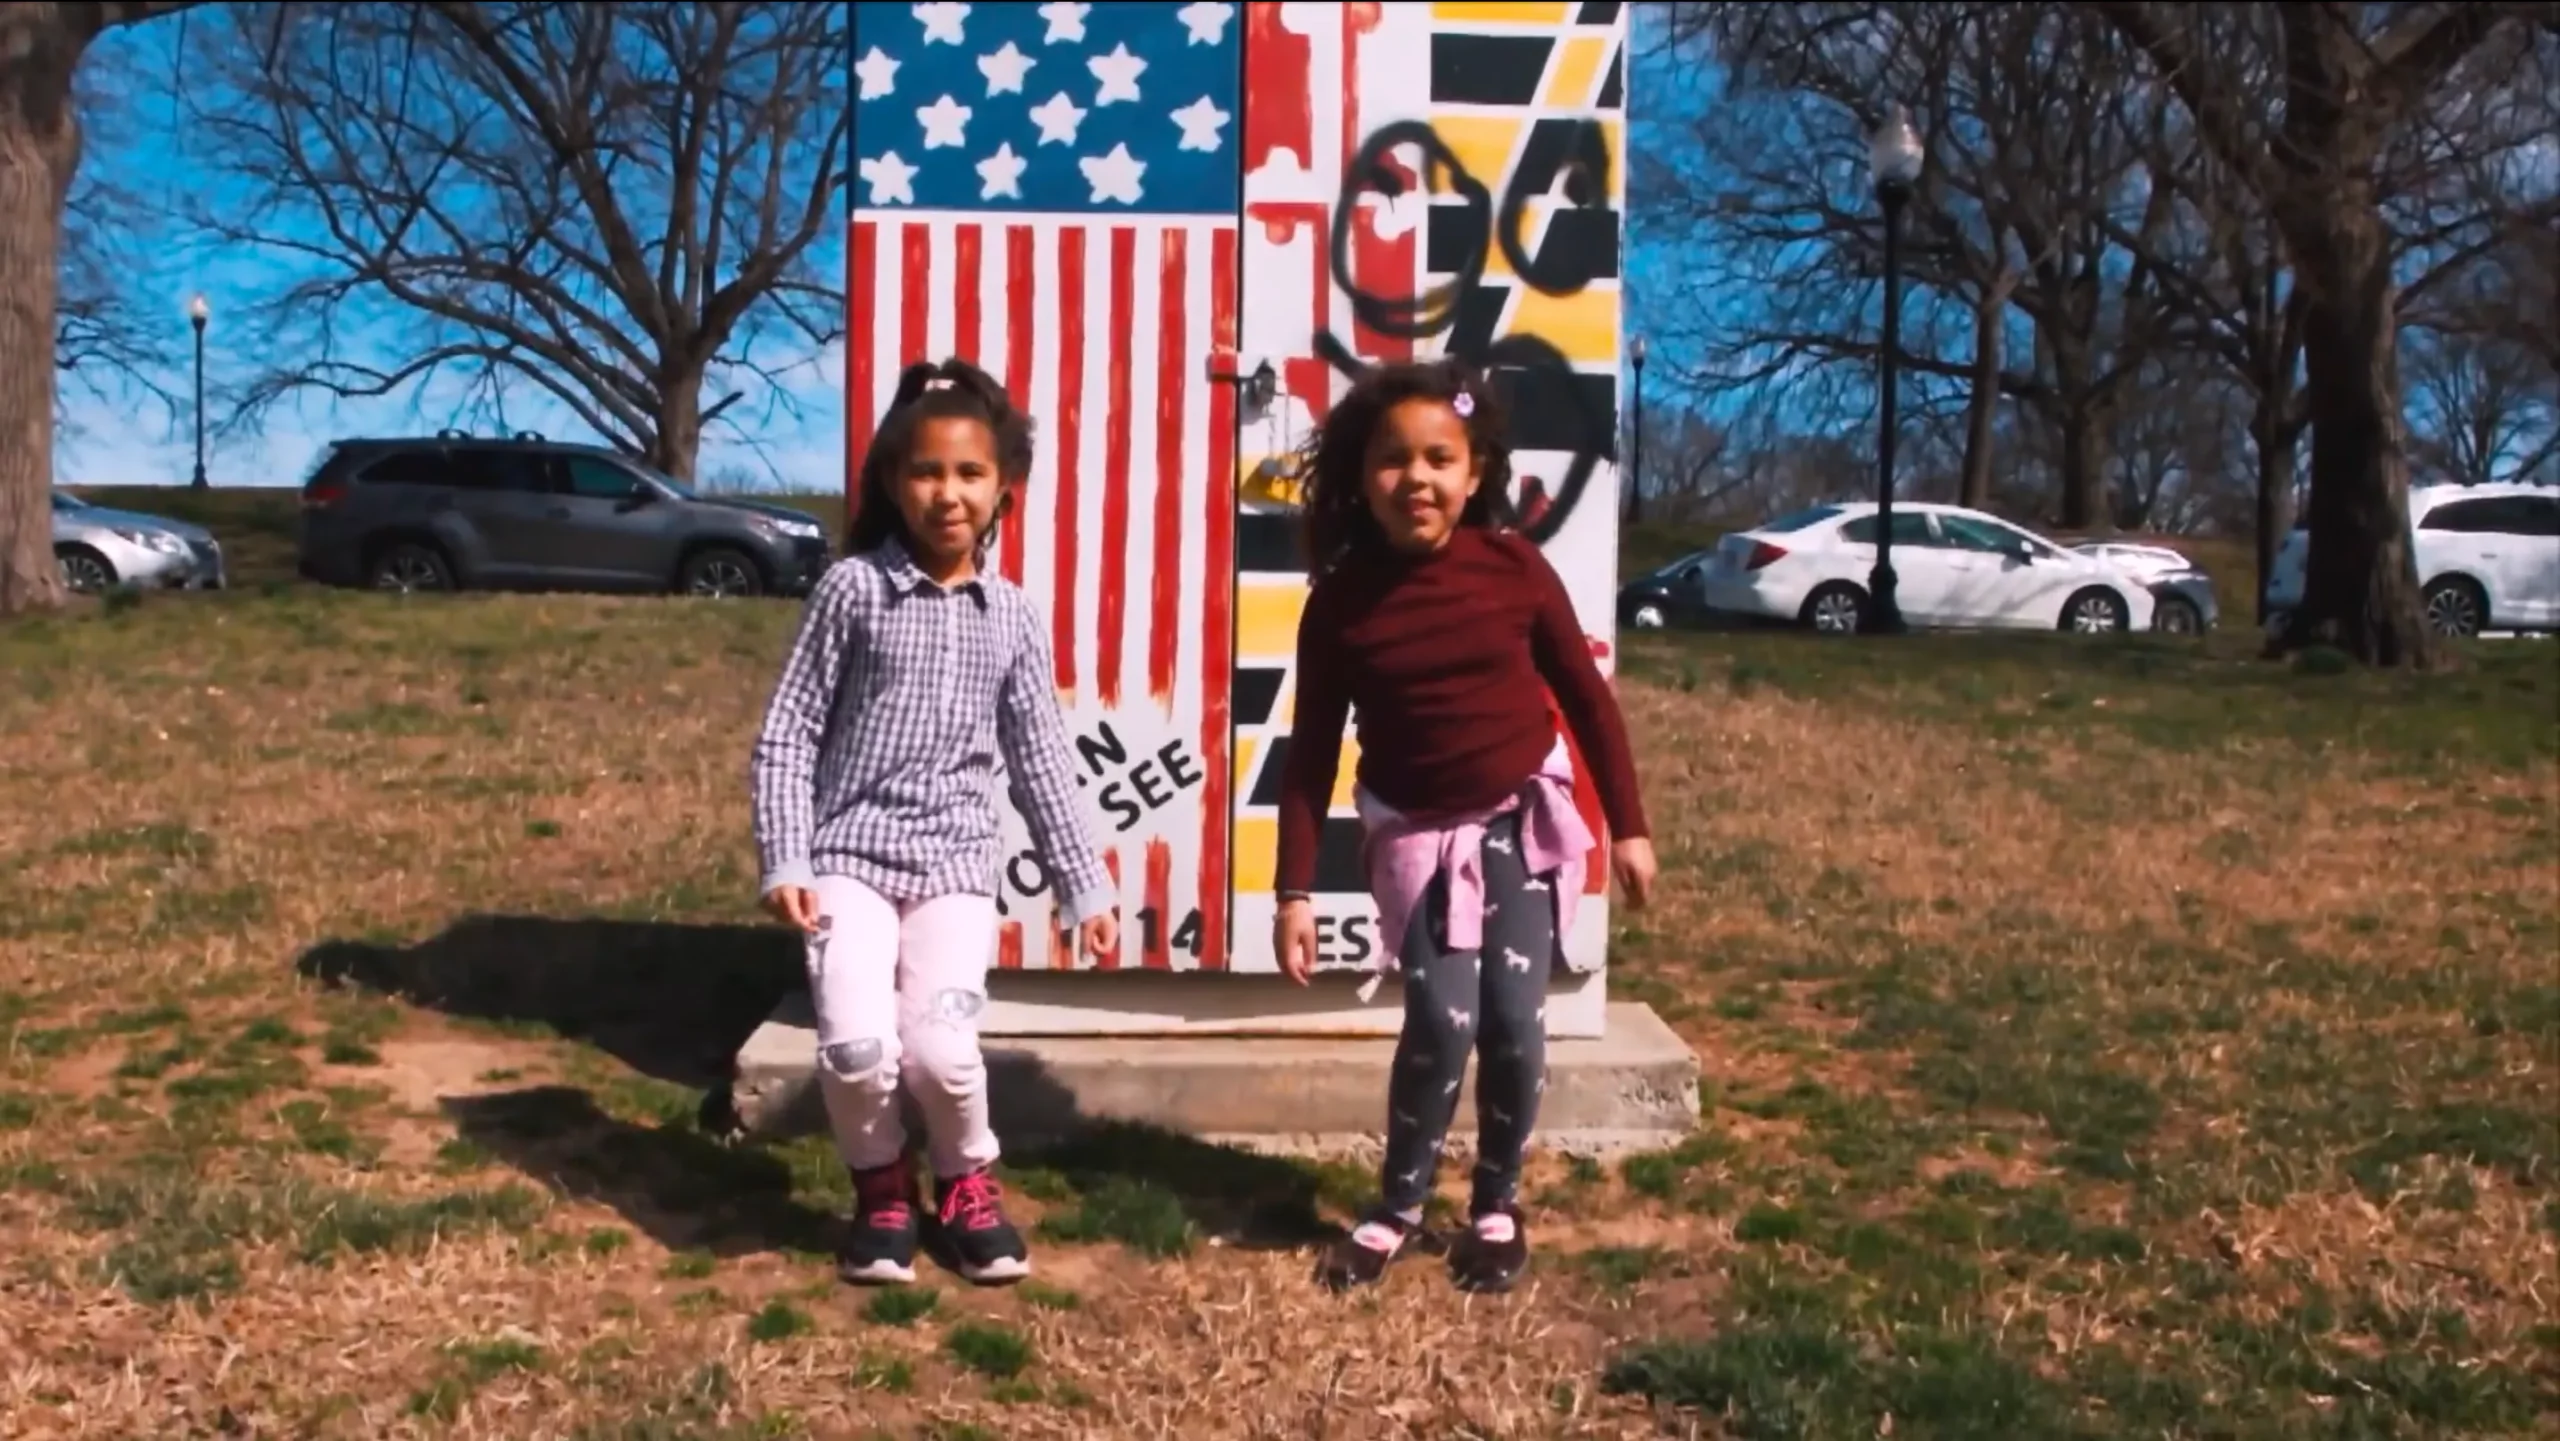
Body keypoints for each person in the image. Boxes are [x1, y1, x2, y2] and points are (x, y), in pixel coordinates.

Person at [1273, 358, 1655, 1294]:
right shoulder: (1341, 602)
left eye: (1439, 458)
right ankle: (1398, 1205)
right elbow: (1310, 752)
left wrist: (1630, 827)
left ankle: (1496, 1202)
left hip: (1518, 820)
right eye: (1393, 460)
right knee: (1442, 1021)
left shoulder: (1515, 569)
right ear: (1363, 478)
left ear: (1475, 470)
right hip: (1418, 837)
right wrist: (1293, 891)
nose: (1417, 478)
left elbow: (1588, 702)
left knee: (1514, 1023)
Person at [750, 357, 1116, 1288]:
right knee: (857, 1050)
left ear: (1003, 489)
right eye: (925, 472)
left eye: (969, 474)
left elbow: (1039, 756)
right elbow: (789, 732)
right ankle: (882, 1191)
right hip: (848, 863)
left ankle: (965, 1184)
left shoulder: (1012, 616)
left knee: (945, 1055)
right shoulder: (853, 591)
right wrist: (786, 856)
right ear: (891, 481)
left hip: (954, 869)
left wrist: (1084, 884)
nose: (947, 493)